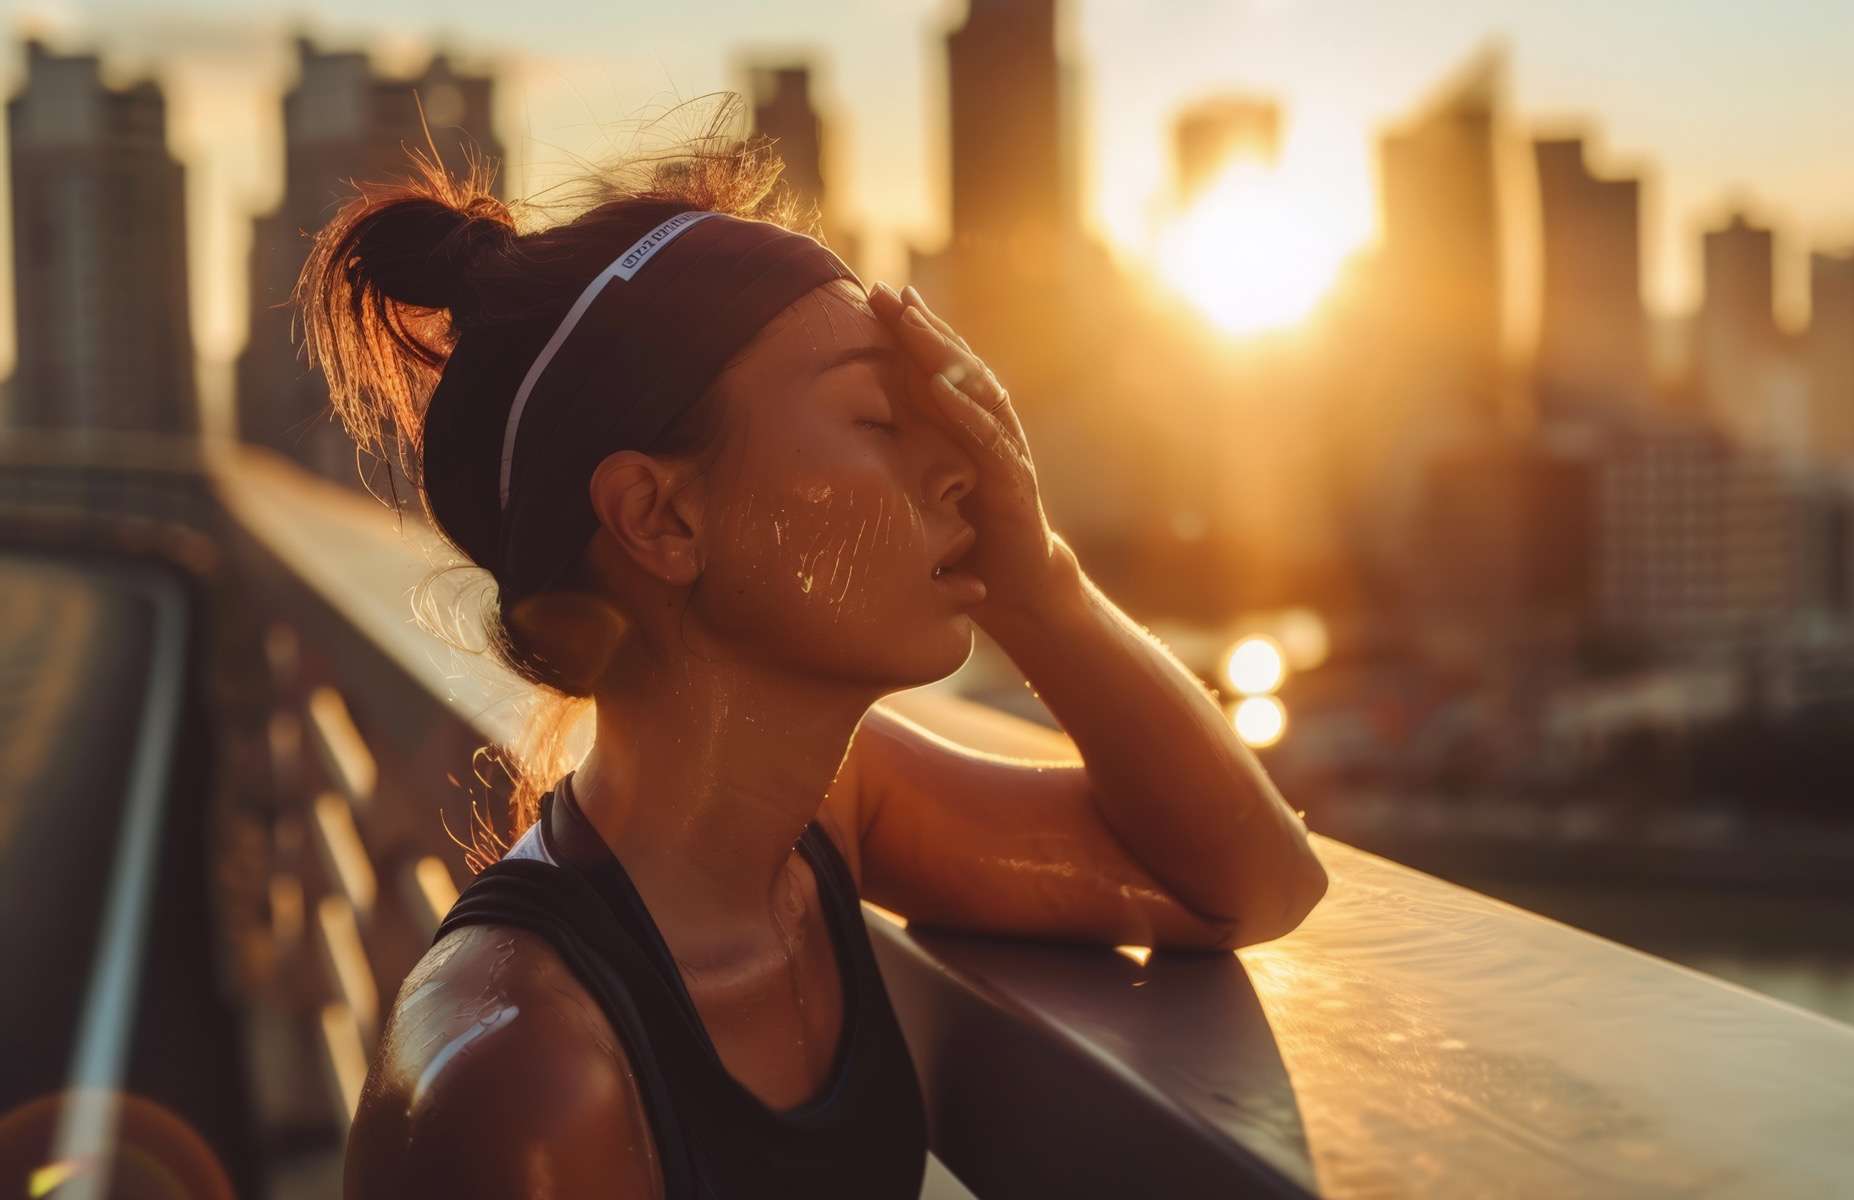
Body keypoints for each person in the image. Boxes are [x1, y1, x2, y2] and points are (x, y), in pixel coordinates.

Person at [294, 98, 1327, 1199]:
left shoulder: (829, 813)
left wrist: (1044, 589)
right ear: (661, 520)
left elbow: (1249, 887)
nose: (960, 470)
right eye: (882, 423)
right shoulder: (526, 1087)